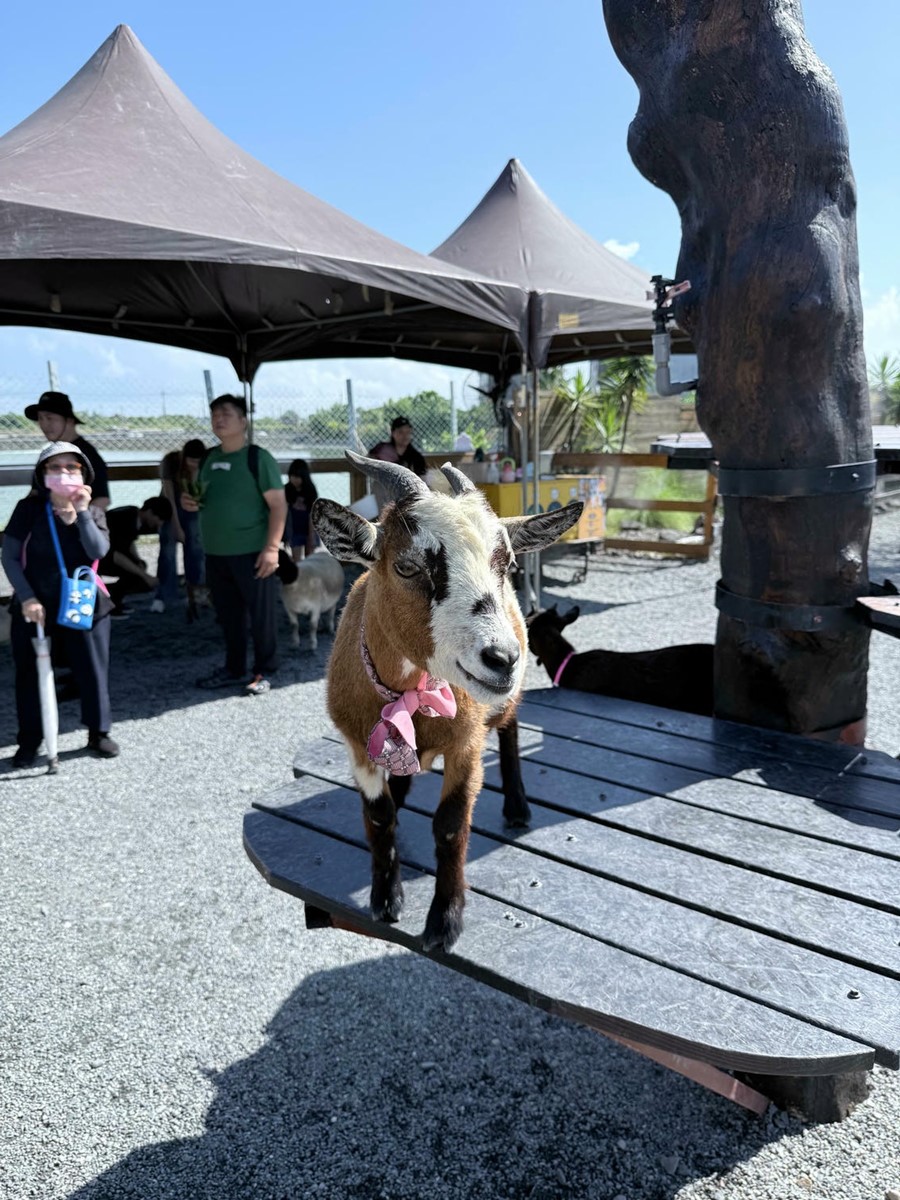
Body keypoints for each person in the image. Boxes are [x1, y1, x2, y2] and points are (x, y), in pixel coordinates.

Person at [2, 441, 118, 766]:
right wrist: (26, 597)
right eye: (54, 468)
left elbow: (97, 551)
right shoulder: (28, 509)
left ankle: (99, 732)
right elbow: (9, 557)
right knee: (29, 674)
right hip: (35, 602)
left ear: (84, 473)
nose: (63, 473)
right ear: (42, 475)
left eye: (71, 467)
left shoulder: (93, 511)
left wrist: (80, 512)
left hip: (83, 601)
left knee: (92, 670)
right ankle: (30, 740)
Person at [181, 394, 287, 695]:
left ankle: (266, 669)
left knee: (261, 616)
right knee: (228, 616)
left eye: (226, 413)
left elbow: (279, 506)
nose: (219, 418)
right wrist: (187, 502)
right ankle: (234, 667)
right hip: (216, 553)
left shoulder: (257, 458)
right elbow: (202, 500)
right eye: (215, 413)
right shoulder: (210, 458)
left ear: (243, 421)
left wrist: (271, 548)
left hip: (254, 552)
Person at [23, 391, 111, 510]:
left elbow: (102, 499)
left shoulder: (87, 454)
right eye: (40, 419)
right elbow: (35, 492)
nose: (44, 424)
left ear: (69, 421)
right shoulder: (49, 454)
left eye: (50, 418)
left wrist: (83, 522)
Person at [153, 438, 207, 613]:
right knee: (167, 552)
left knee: (196, 550)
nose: (194, 465)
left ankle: (195, 593)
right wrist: (177, 528)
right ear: (184, 457)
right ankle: (163, 596)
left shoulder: (203, 465)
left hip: (192, 507)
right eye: (191, 461)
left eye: (198, 462)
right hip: (169, 509)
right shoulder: (171, 462)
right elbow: (169, 499)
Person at [98, 498, 173, 616]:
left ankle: (113, 600)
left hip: (106, 554)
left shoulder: (133, 515)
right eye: (159, 518)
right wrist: (146, 576)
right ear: (149, 512)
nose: (159, 523)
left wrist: (138, 561)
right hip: (97, 557)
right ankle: (110, 604)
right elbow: (116, 555)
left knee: (138, 567)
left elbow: (128, 544)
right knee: (134, 573)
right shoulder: (125, 520)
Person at [368, 416, 428, 513]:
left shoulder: (416, 457)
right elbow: (368, 462)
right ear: (392, 433)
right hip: (382, 500)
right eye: (401, 432)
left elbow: (422, 482)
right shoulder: (381, 450)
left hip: (407, 503)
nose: (405, 436)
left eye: (408, 432)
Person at [284, 458, 319, 561]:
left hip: (309, 529)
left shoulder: (310, 491)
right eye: (292, 476)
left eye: (298, 477)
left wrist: (311, 536)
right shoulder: (286, 489)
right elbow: (284, 514)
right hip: (294, 531)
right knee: (296, 560)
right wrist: (285, 536)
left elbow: (312, 515)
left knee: (310, 559)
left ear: (304, 477)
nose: (294, 479)